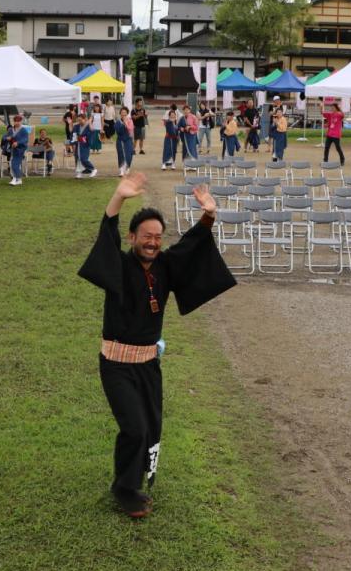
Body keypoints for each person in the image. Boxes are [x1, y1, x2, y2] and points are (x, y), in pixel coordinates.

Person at [78, 172, 234, 518]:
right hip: (116, 364)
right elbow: (105, 239)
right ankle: (124, 488)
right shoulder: (118, 265)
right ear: (132, 237)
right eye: (145, 236)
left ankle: (129, 479)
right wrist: (118, 198)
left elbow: (192, 245)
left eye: (157, 238)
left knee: (149, 426)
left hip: (149, 364)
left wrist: (209, 214)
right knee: (134, 426)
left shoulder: (165, 265)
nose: (152, 242)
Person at [8, 114, 30, 186]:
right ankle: (16, 179)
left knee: (15, 164)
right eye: (15, 121)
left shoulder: (23, 130)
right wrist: (8, 138)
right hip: (12, 150)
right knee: (12, 164)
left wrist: (18, 143)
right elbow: (6, 136)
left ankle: (17, 178)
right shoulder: (11, 129)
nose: (17, 123)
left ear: (21, 121)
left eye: (18, 121)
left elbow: (25, 140)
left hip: (20, 150)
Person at [74, 113, 97, 178]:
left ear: (85, 119)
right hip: (78, 144)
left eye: (81, 120)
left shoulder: (88, 126)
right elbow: (73, 133)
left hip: (85, 145)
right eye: (78, 120)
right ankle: (79, 172)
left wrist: (89, 122)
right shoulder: (77, 126)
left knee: (83, 158)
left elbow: (92, 131)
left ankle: (93, 169)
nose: (79, 122)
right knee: (78, 159)